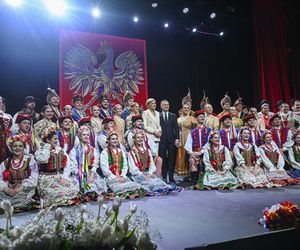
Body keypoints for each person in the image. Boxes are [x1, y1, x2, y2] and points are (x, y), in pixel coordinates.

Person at [34, 127, 79, 207]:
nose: (56, 141)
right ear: (48, 140)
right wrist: (46, 147)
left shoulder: (60, 149)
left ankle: (63, 200)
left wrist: (64, 177)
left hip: (59, 176)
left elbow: (67, 165)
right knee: (54, 191)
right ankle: (56, 201)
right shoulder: (40, 151)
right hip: (46, 178)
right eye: (54, 139)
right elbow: (43, 159)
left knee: (74, 187)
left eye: (57, 139)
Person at [128, 131, 176, 195]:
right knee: (149, 183)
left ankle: (166, 188)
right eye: (138, 138)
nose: (140, 139)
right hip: (138, 174)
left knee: (158, 181)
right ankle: (155, 190)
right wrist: (142, 175)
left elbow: (151, 164)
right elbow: (132, 168)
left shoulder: (147, 150)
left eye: (141, 137)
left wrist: (150, 173)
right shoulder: (132, 152)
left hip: (148, 173)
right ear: (134, 139)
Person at [100, 130, 145, 198]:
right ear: (108, 140)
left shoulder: (121, 151)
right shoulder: (105, 152)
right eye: (112, 139)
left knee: (136, 187)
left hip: (121, 176)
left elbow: (125, 166)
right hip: (111, 177)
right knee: (119, 188)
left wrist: (123, 176)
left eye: (116, 139)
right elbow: (104, 169)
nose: (115, 141)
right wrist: (115, 177)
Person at [0, 135, 38, 211]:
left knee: (23, 199)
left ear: (24, 148)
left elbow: (34, 177)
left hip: (25, 190)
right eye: (15, 146)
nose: (17, 148)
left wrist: (22, 187)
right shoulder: (6, 162)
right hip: (10, 191)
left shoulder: (30, 160)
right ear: (11, 148)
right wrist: (6, 188)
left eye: (20, 146)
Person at [69, 126, 107, 200]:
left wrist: (91, 175)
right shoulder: (74, 150)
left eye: (87, 135)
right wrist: (82, 175)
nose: (86, 136)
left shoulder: (93, 149)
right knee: (86, 186)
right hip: (80, 174)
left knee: (97, 186)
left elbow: (95, 163)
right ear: (79, 136)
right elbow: (73, 165)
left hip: (91, 173)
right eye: (84, 135)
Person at [185, 110, 212, 185]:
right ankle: (194, 180)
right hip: (195, 153)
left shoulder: (210, 131)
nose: (202, 118)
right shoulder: (192, 131)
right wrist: (192, 153)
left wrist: (202, 151)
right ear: (197, 118)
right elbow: (188, 144)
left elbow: (210, 143)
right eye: (200, 116)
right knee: (192, 160)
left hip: (206, 152)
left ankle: (206, 179)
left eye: (203, 117)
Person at [159, 100, 180, 183]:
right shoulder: (158, 115)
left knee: (172, 159)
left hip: (172, 140)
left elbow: (176, 128)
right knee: (163, 159)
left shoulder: (173, 115)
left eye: (167, 104)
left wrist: (177, 139)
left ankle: (171, 177)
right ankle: (164, 176)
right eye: (164, 105)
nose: (166, 106)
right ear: (161, 106)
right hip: (161, 140)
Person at [176, 103, 197, 176]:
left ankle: (191, 172)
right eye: (184, 108)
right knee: (182, 154)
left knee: (189, 153)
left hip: (189, 136)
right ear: (182, 108)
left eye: (187, 108)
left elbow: (195, 128)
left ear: (189, 109)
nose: (186, 109)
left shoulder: (192, 118)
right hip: (181, 137)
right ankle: (184, 173)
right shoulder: (178, 119)